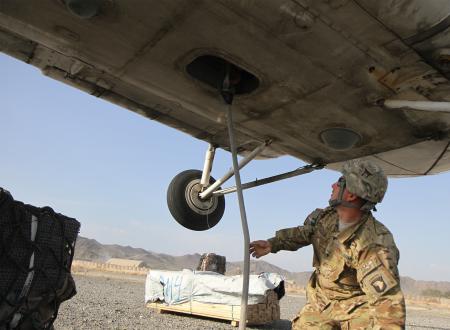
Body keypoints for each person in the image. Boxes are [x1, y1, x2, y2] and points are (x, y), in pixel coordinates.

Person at [249, 159, 405, 329]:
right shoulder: (327, 217)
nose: (333, 185)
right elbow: (305, 232)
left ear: (351, 194)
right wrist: (273, 244)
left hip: (354, 312)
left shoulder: (374, 244)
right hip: (320, 305)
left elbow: (388, 305)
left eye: (340, 182)